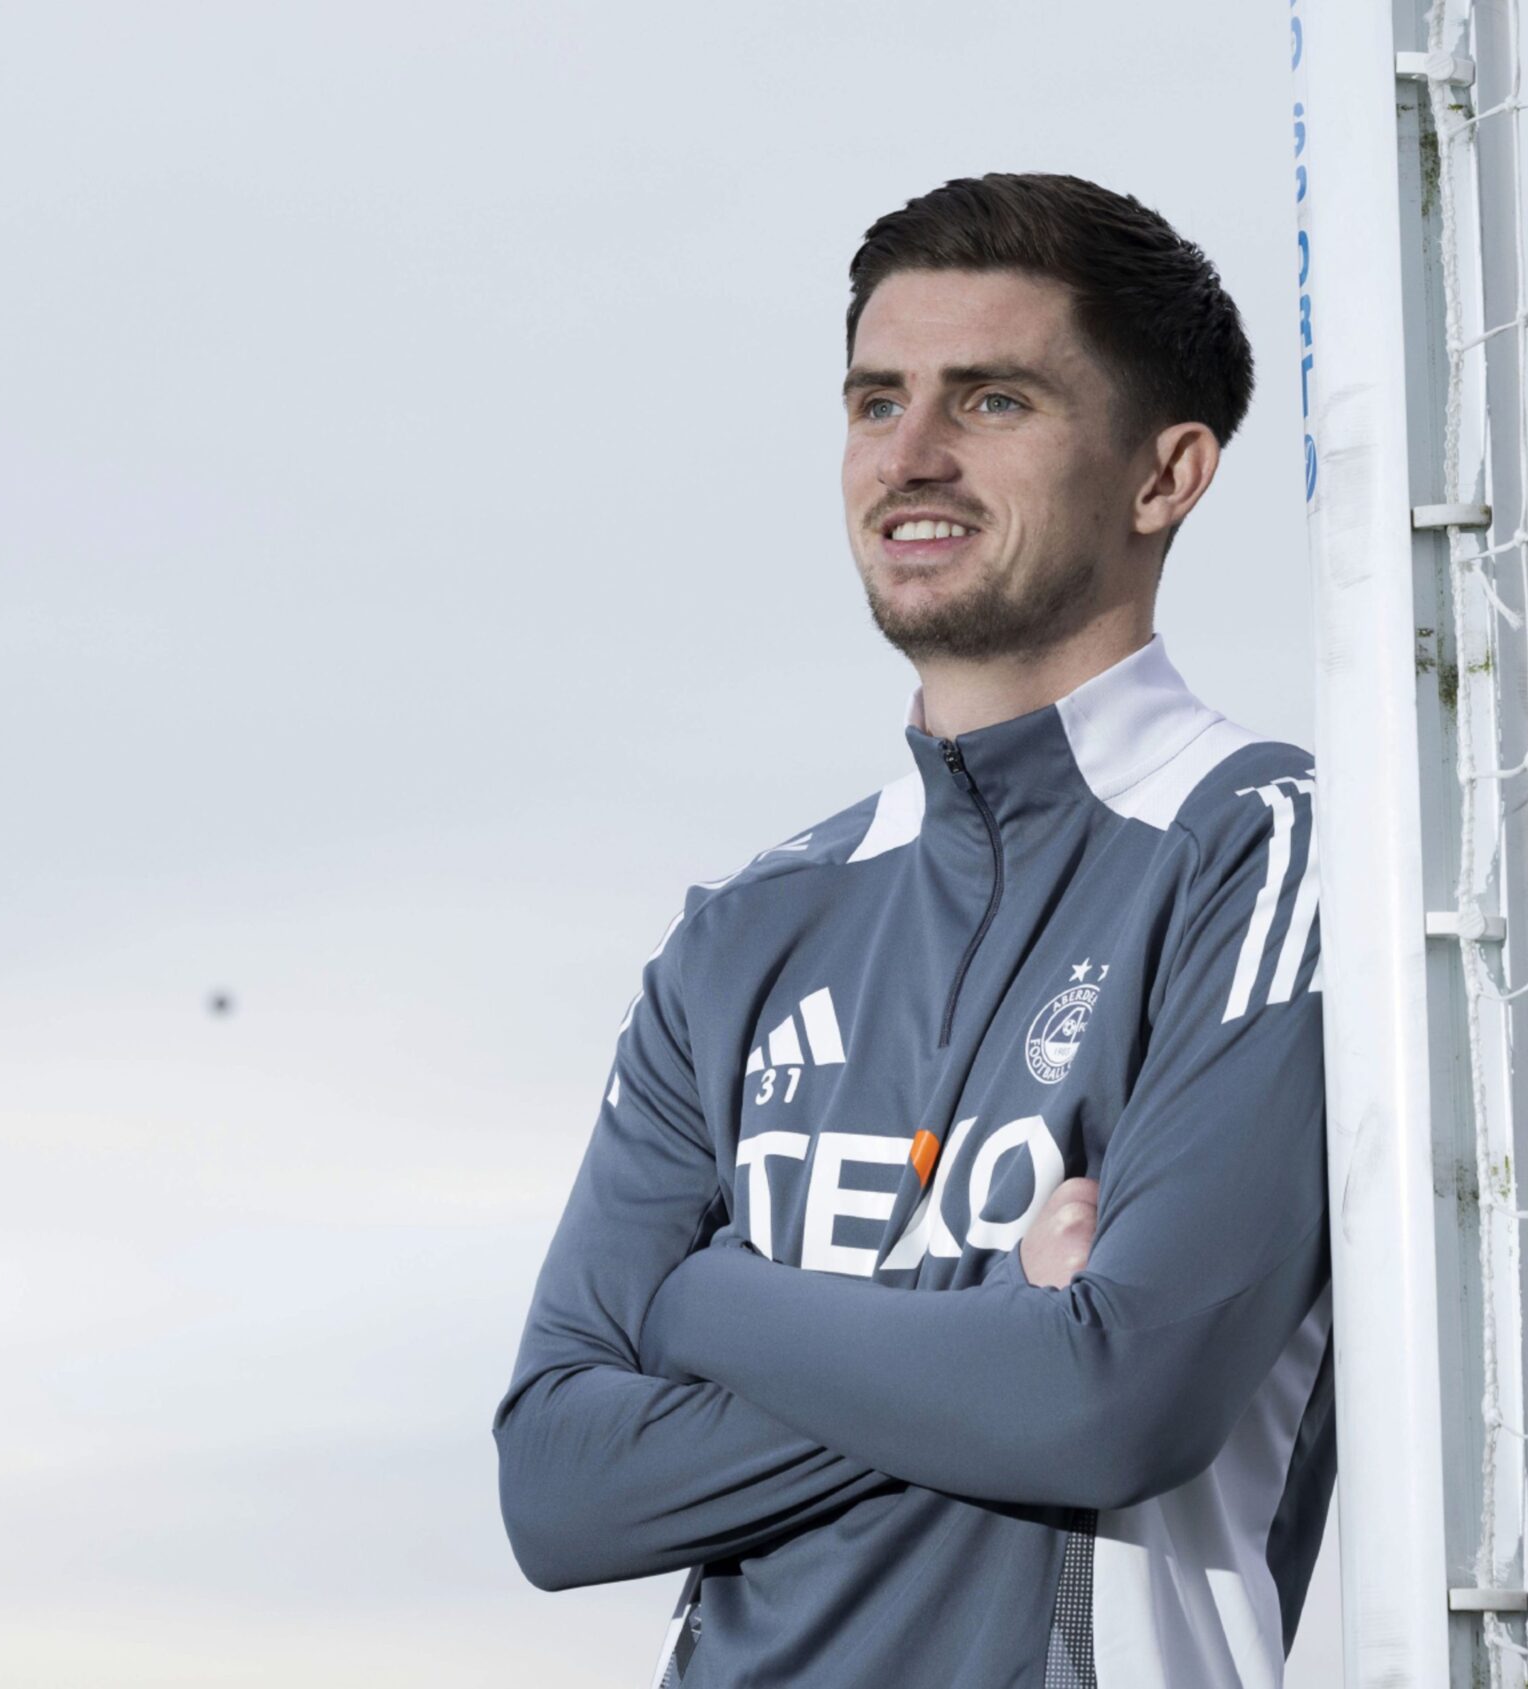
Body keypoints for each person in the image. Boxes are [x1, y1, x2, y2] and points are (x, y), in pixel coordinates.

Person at [492, 171, 1332, 1689]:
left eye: (993, 400)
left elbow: (1112, 1407)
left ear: (1166, 474)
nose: (914, 457)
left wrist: (704, 1299)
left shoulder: (1265, 846)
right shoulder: (745, 927)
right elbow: (556, 1483)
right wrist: (994, 1330)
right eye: (877, 402)